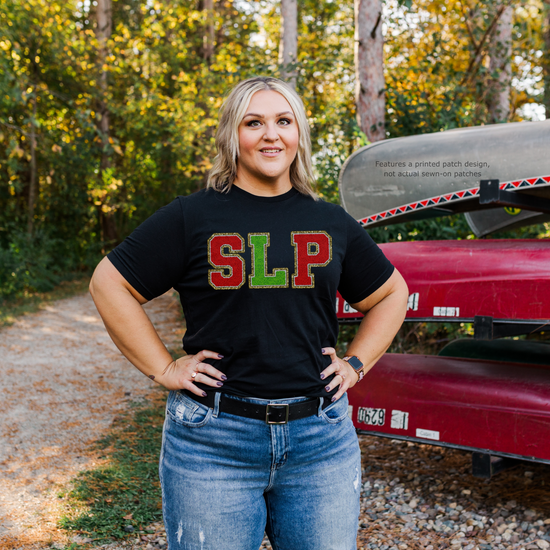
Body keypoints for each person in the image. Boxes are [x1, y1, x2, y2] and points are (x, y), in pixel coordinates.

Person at [89, 76, 408, 550]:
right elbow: (108, 282)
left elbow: (391, 294)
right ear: (231, 136)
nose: (270, 134)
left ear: (299, 133)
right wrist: (163, 368)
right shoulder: (192, 217)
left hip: (320, 442)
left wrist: (356, 364)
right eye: (253, 122)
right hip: (212, 442)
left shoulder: (330, 221)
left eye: (283, 121)